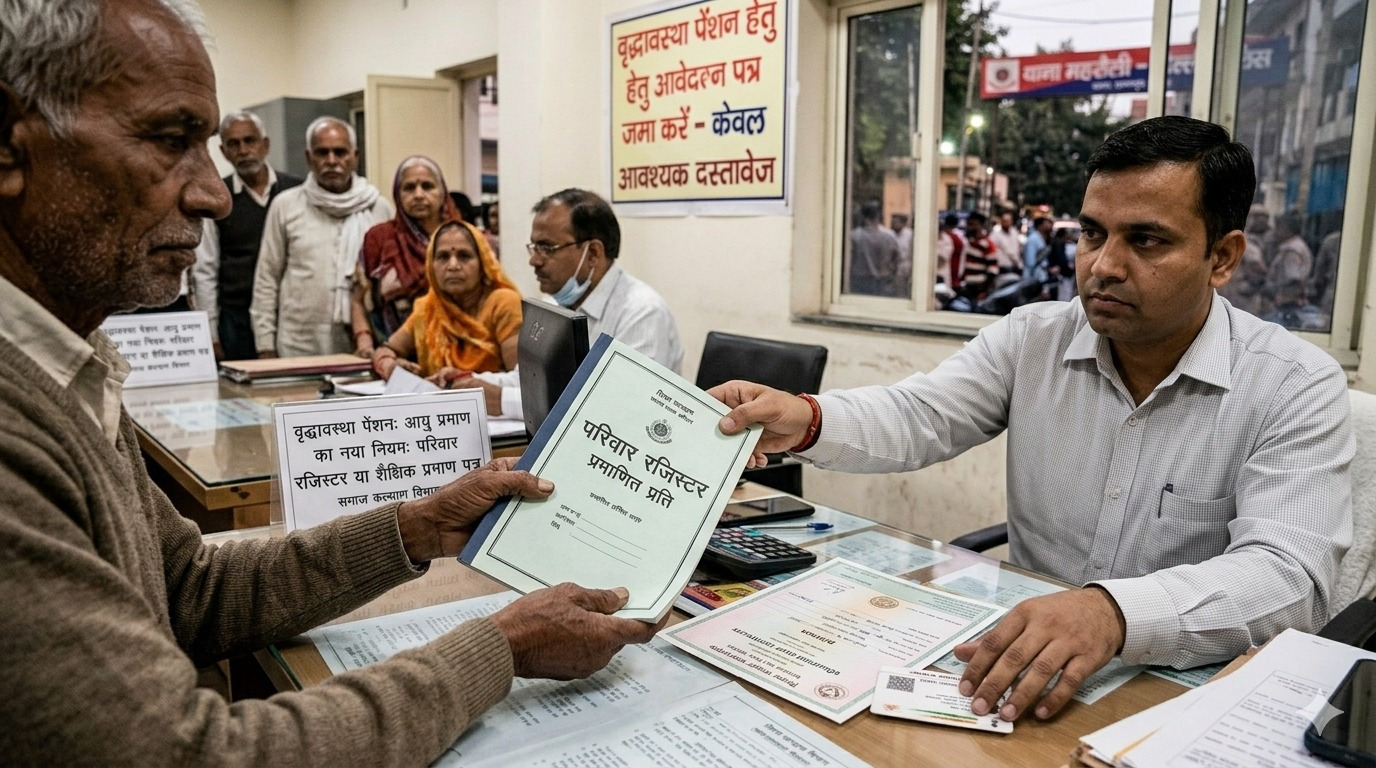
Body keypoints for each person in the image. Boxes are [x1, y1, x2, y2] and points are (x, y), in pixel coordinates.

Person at [0, 1, 659, 763]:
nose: (214, 194)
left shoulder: (69, 371)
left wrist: (416, 528)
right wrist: (500, 648)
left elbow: (189, 588)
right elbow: (191, 753)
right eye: (171, 141)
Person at [711, 115, 1351, 724]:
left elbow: (1289, 576)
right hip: (1018, 669)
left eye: (1146, 240)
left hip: (1183, 693)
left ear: (1223, 257)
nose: (1103, 266)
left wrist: (1112, 614)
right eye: (1093, 234)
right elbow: (921, 414)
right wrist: (806, 418)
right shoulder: (1033, 339)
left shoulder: (1293, 384)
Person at [445, 188, 685, 418]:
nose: (534, 260)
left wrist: (503, 401)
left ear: (593, 253)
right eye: (534, 247)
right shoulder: (555, 303)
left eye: (547, 248)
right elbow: (528, 379)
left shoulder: (642, 313)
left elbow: (622, 408)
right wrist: (468, 382)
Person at [251, 116, 392, 358]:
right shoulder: (286, 205)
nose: (332, 161)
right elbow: (267, 279)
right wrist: (265, 345)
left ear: (355, 156)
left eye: (340, 152)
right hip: (299, 343)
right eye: (322, 153)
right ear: (309, 157)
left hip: (363, 343)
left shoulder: (378, 208)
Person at [191, 110, 304, 360]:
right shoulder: (217, 199)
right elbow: (205, 270)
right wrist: (210, 333)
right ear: (223, 152)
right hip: (236, 320)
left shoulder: (297, 191)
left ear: (265, 145)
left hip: (290, 317)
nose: (243, 150)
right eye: (234, 144)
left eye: (249, 141)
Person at [372, 220, 521, 388]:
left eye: (464, 256)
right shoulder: (428, 308)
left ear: (483, 263)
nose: (453, 266)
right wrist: (389, 365)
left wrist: (465, 380)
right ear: (431, 265)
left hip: (493, 402)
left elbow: (520, 379)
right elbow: (386, 350)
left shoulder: (503, 303)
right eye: (443, 257)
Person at [351, 155, 462, 355]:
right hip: (393, 354)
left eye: (427, 186)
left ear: (442, 192)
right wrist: (364, 343)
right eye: (409, 188)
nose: (418, 195)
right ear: (397, 194)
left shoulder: (465, 239)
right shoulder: (380, 239)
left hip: (458, 353)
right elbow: (358, 300)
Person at [848, 201, 901, 296]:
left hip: (860, 281)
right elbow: (896, 260)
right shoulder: (890, 236)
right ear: (879, 216)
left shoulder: (855, 236)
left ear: (863, 217)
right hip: (883, 281)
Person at [958, 212, 997, 300]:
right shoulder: (968, 242)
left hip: (978, 288)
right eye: (968, 224)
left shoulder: (987, 244)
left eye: (972, 224)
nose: (969, 228)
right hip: (966, 285)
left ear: (980, 225)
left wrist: (983, 291)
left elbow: (993, 270)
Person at [989, 211, 1024, 278]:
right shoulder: (995, 235)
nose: (1007, 223)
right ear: (1001, 221)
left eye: (1008, 221)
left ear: (1011, 221)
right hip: (1002, 269)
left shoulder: (1014, 233)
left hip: (1015, 267)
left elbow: (1018, 249)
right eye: (1005, 221)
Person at [1022, 216, 1052, 282]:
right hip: (1034, 276)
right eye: (1046, 224)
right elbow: (1030, 262)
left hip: (1041, 274)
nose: (1049, 226)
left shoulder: (1042, 238)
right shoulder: (1033, 239)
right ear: (1040, 226)